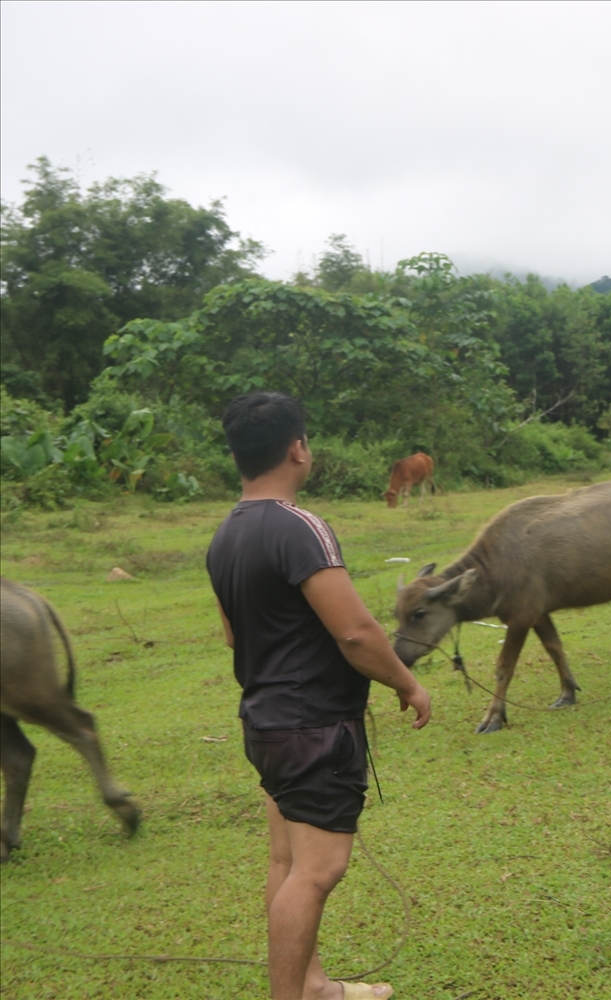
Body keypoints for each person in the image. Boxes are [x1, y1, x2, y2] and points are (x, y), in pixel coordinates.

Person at [207, 392, 432, 1000]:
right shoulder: (299, 527)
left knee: (286, 863)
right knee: (318, 870)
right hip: (313, 729)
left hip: (265, 723)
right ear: (297, 448)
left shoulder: (225, 534)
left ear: (237, 456)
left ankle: (314, 986)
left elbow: (234, 633)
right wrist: (407, 683)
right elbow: (356, 632)